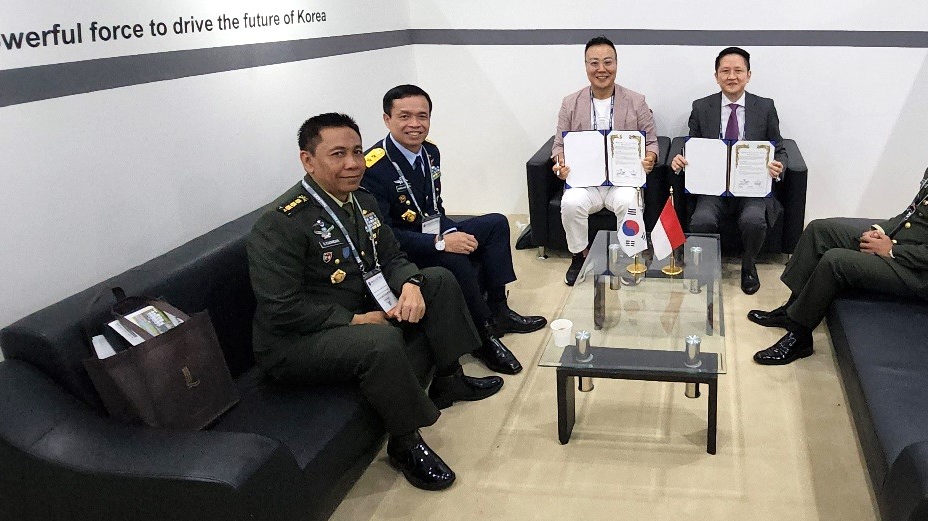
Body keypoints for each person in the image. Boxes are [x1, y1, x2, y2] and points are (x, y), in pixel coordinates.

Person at [247, 112, 503, 491]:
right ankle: (405, 443)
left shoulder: (362, 201)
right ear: (308, 160)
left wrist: (410, 283)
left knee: (437, 280)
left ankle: (450, 379)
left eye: (356, 151)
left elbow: (392, 256)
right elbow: (281, 308)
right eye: (338, 154)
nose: (353, 163)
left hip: (361, 304)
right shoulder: (281, 223)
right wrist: (356, 321)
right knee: (380, 340)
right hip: (296, 340)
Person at [750, 96, 928, 364]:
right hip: (905, 246)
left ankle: (799, 337)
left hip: (926, 275)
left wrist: (892, 250)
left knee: (836, 261)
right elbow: (912, 213)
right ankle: (792, 309)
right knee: (819, 230)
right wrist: (879, 229)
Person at [361, 84, 546, 376]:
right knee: (453, 257)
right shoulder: (373, 167)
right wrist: (441, 243)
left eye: (422, 116)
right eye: (404, 116)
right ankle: (484, 335)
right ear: (387, 119)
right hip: (405, 248)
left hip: (433, 232)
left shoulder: (430, 151)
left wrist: (449, 233)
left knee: (496, 223)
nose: (415, 124)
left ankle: (499, 310)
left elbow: (435, 207)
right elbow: (385, 235)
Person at [669, 47, 786, 295]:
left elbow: (780, 148)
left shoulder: (765, 107)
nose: (732, 76)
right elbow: (692, 145)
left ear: (748, 75)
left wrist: (778, 166)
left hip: (750, 188)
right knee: (701, 220)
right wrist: (681, 158)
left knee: (753, 220)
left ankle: (749, 266)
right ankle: (704, 266)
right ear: (716, 76)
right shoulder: (702, 107)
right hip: (713, 187)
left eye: (738, 71)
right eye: (725, 71)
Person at [550, 35, 658, 284]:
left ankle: (630, 258)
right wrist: (559, 164)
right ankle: (579, 256)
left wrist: (650, 158)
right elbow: (558, 145)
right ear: (586, 66)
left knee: (629, 201)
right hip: (585, 182)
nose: (601, 69)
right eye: (594, 63)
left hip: (623, 181)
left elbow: (651, 141)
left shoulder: (636, 101)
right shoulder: (570, 103)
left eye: (608, 62)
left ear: (616, 64)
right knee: (571, 203)